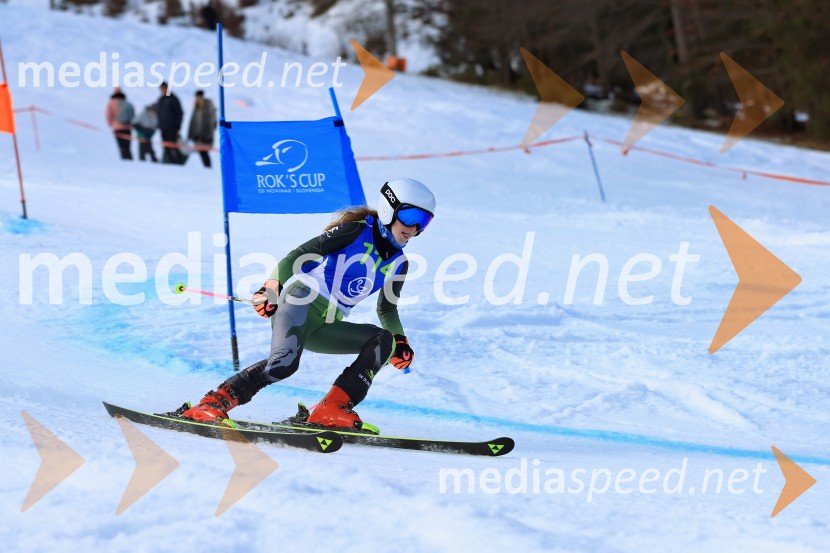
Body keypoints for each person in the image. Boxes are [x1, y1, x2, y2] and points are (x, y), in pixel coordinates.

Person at [180, 178, 436, 433]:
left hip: (328, 324)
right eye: (410, 216)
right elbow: (297, 255)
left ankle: (332, 409)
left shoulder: (400, 263)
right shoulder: (356, 231)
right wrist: (272, 287)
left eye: (423, 222)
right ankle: (212, 403)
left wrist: (400, 341)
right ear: (388, 210)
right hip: (299, 305)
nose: (413, 228)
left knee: (384, 341)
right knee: (283, 364)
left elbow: (387, 309)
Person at [187, 90, 217, 168]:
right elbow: (193, 122)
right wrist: (191, 134)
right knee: (202, 152)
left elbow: (210, 122)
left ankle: (208, 167)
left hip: (206, 136)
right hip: (198, 136)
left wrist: (206, 134)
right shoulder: (197, 107)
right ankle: (207, 167)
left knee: (203, 152)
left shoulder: (207, 106)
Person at [156, 82, 184, 164]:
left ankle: (179, 163)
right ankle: (170, 163)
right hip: (163, 128)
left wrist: (177, 126)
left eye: (164, 88)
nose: (163, 90)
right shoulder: (161, 99)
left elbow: (179, 113)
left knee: (174, 146)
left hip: (172, 128)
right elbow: (159, 113)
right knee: (166, 146)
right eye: (161, 89)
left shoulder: (173, 99)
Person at [105, 88, 133, 160]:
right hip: (128, 128)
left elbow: (108, 115)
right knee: (127, 147)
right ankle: (130, 162)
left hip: (117, 128)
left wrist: (111, 124)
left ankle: (125, 161)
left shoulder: (111, 103)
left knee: (121, 147)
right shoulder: (126, 103)